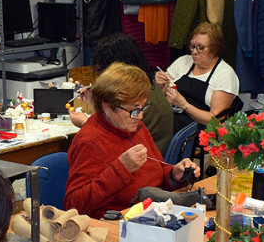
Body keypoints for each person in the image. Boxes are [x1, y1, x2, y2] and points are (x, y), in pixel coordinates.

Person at [65, 63, 200, 218]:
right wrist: (121, 169)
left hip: (152, 211)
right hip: (118, 224)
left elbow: (156, 173)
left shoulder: (134, 126)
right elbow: (73, 205)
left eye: (143, 108)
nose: (140, 116)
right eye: (134, 109)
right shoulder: (90, 142)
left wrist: (174, 175)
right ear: (108, 107)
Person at [70, 33, 174, 153]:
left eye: (101, 71)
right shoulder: (145, 84)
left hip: (142, 159)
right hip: (147, 154)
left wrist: (86, 123)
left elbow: (111, 141)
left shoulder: (134, 100)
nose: (100, 77)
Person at [156, 22, 242, 135]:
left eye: (201, 48)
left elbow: (216, 120)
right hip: (171, 117)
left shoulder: (225, 74)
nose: (194, 52)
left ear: (215, 49)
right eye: (192, 46)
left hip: (198, 130)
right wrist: (159, 84)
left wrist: (184, 105)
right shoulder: (183, 62)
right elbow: (163, 93)